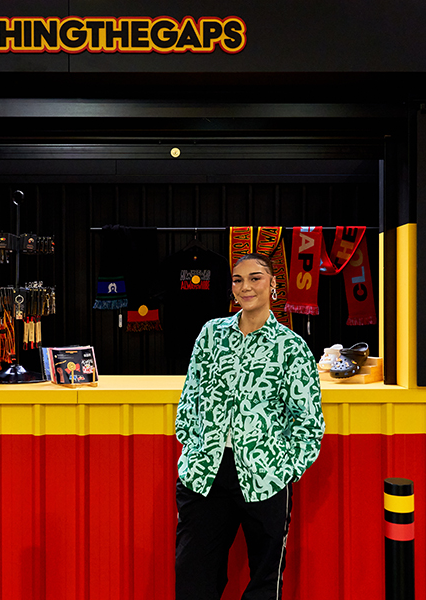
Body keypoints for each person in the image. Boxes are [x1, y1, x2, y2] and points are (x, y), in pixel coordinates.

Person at [174, 252, 325, 600]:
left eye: (255, 278)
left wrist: (283, 470)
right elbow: (190, 397)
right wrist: (192, 449)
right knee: (194, 578)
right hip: (205, 474)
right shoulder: (211, 335)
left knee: (264, 581)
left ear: (273, 285)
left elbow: (308, 422)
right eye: (238, 279)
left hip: (265, 476)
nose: (246, 286)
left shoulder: (291, 348)